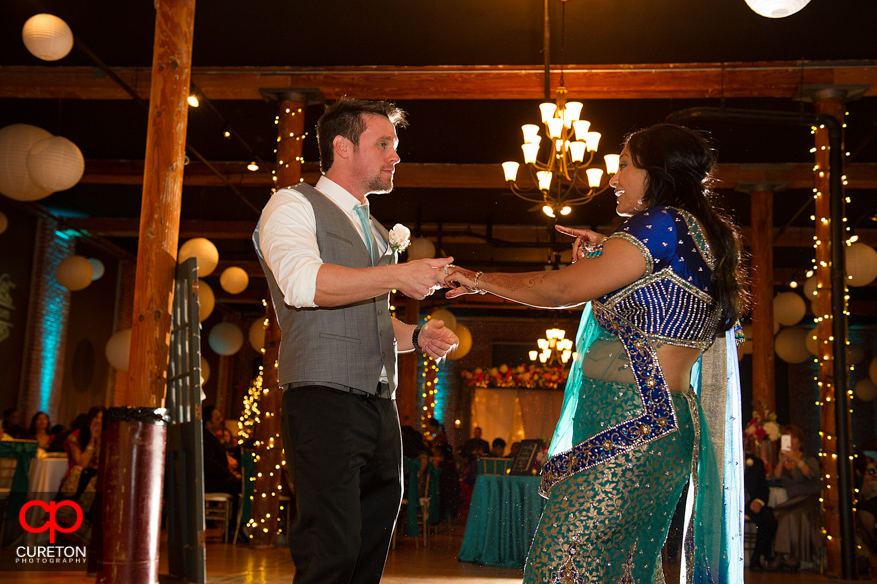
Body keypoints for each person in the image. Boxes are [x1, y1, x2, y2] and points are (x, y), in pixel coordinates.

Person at [445, 123, 747, 583]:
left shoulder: (662, 223)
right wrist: (608, 252)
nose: (613, 177)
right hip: (657, 424)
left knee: (559, 565)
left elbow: (562, 289)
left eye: (624, 164)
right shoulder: (704, 233)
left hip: (636, 421)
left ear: (657, 171)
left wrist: (476, 279)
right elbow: (653, 297)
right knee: (620, 570)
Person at [254, 97, 459, 584]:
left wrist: (416, 335)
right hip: (322, 399)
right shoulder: (292, 204)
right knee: (332, 547)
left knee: (370, 545)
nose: (396, 156)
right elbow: (305, 285)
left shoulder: (376, 228)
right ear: (342, 147)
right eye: (384, 143)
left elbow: (369, 317)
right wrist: (396, 272)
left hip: (379, 407)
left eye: (396, 145)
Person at [770, 424, 821, 571]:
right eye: (787, 438)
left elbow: (812, 474)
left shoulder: (808, 458)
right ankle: (781, 555)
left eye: (794, 437)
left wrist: (796, 459)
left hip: (808, 499)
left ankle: (793, 557)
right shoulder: (782, 459)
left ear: (800, 441)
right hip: (792, 501)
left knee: (794, 516)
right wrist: (781, 460)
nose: (791, 441)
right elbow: (775, 477)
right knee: (782, 515)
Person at [56, 406, 105, 544]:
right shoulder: (77, 435)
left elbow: (106, 461)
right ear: (90, 418)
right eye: (96, 417)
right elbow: (81, 463)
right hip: (81, 474)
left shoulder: (107, 436)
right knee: (82, 478)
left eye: (102, 418)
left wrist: (100, 440)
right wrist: (92, 440)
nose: (98, 421)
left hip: (98, 476)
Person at [745, 451, 778, 571]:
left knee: (769, 520)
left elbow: (764, 488)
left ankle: (756, 557)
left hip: (749, 503)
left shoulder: (756, 462)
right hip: (726, 503)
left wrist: (758, 502)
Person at [202, 405, 241, 495]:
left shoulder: (211, 437)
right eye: (218, 419)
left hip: (216, 478)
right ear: (208, 424)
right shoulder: (206, 439)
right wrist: (228, 474)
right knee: (240, 484)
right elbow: (211, 464)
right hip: (212, 481)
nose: (221, 420)